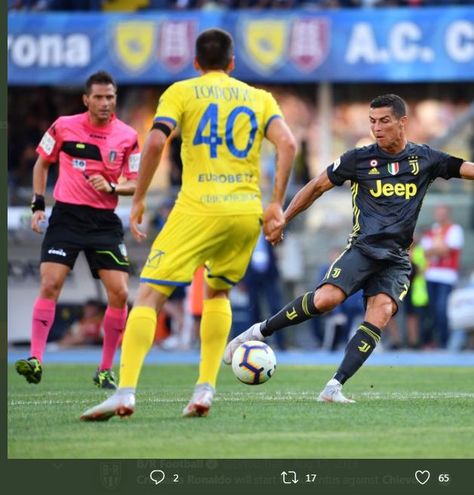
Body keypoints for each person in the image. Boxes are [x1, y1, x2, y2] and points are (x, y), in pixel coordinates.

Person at [224, 94, 474, 403]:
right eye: (372, 121)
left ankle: (334, 387)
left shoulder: (424, 159)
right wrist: (284, 217)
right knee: (326, 299)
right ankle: (258, 332)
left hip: (396, 258)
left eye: (384, 121)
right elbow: (317, 186)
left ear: (402, 122)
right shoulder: (357, 160)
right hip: (363, 249)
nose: (377, 128)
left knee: (382, 312)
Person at [80, 28, 296, 420]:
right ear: (232, 63)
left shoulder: (181, 92)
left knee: (148, 296)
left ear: (196, 63)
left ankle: (125, 393)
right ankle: (205, 389)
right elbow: (289, 144)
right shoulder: (260, 98)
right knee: (218, 294)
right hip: (245, 211)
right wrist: (276, 202)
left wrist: (140, 196)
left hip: (197, 207)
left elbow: (156, 143)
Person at [15, 71, 139, 390]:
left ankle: (105, 370)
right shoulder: (63, 125)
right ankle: (36, 359)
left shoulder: (128, 136)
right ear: (86, 99)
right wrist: (38, 205)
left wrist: (112, 185)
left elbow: (135, 182)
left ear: (115, 98)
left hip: (103, 222)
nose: (104, 102)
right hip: (67, 217)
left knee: (121, 293)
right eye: (98, 97)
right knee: (51, 282)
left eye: (110, 97)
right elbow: (41, 163)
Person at [421, 205, 464, 348]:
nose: (440, 216)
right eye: (438, 213)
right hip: (431, 275)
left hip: (447, 276)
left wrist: (436, 249)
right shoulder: (432, 230)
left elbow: (447, 251)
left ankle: (445, 341)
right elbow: (425, 253)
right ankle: (434, 340)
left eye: (443, 213)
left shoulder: (455, 229)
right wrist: (438, 249)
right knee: (432, 310)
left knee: (442, 309)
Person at [241, 232, 286, 350]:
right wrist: (242, 279)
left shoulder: (269, 228)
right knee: (254, 310)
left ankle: (281, 343)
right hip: (252, 276)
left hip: (269, 276)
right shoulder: (248, 231)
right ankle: (255, 343)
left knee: (275, 308)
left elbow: (281, 242)